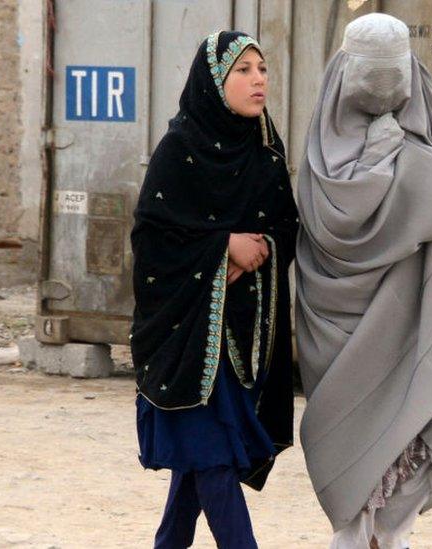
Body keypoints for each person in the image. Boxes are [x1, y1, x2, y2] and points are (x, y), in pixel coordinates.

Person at [294, 13, 432, 549]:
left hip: (329, 338)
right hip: (404, 344)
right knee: (397, 470)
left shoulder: (315, 165)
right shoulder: (428, 171)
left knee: (355, 459)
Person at [130, 30, 298, 549]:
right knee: (213, 458)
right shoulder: (180, 147)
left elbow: (285, 227)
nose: (258, 80)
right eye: (242, 70)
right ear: (213, 82)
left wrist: (258, 250)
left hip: (241, 334)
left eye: (262, 69)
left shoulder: (266, 152)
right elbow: (152, 236)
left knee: (201, 459)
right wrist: (222, 246)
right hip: (186, 334)